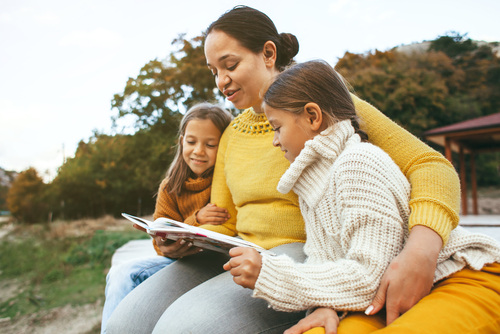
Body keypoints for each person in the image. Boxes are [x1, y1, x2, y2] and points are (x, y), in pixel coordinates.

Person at [106, 6, 462, 333]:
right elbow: (227, 220)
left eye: (230, 66)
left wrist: (421, 251)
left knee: (181, 328)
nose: (221, 81)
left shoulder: (322, 105)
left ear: (268, 53)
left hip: (300, 254)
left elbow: (430, 164)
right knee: (127, 321)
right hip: (238, 252)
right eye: (214, 72)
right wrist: (186, 239)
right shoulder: (231, 133)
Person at [224, 59, 500, 334]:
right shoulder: (310, 186)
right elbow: (325, 262)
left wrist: (270, 274)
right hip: (383, 294)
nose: (274, 141)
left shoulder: (357, 163)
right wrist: (323, 306)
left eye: (277, 127)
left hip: (460, 275)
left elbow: (369, 275)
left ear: (312, 116)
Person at [101, 102, 232, 333]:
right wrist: (168, 244)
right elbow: (160, 244)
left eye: (210, 144)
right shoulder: (171, 186)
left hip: (215, 265)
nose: (199, 151)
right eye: (191, 142)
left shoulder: (226, 181)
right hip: (180, 262)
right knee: (121, 273)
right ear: (181, 141)